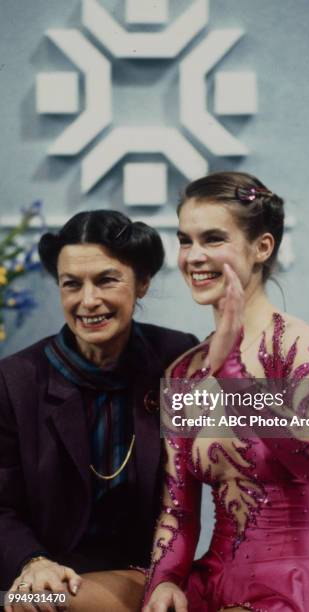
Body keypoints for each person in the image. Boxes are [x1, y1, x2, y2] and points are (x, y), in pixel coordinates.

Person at [143, 172, 309, 611]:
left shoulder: (299, 345)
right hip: (215, 585)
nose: (194, 256)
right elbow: (179, 511)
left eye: (212, 239)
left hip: (298, 587)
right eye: (185, 240)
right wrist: (165, 582)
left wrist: (232, 373)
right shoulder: (183, 373)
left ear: (262, 247)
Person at [0, 210, 198, 611]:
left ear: (141, 283)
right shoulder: (16, 380)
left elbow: (259, 419)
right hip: (48, 578)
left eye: (106, 280)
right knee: (31, 603)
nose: (88, 301)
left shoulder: (175, 357)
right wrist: (32, 561)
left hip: (144, 576)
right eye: (72, 285)